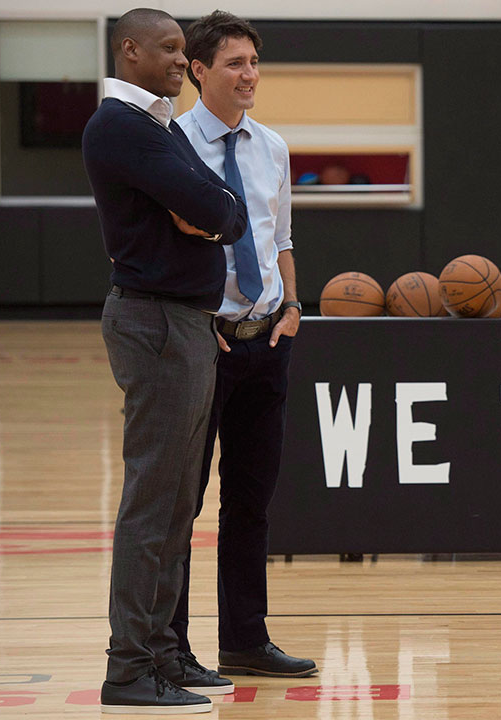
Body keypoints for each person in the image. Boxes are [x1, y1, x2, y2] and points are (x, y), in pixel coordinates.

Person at [83, 7, 249, 715]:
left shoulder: (158, 126)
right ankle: (129, 668)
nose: (183, 61)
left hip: (183, 322)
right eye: (171, 50)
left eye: (184, 51)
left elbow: (227, 210)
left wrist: (213, 211)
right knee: (155, 500)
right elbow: (207, 205)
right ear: (130, 51)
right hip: (154, 321)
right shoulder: (120, 126)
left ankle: (162, 652)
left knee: (180, 500)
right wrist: (210, 211)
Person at [169, 10, 317, 679]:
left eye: (254, 62)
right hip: (204, 345)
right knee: (180, 504)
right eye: (236, 63)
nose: (250, 74)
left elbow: (279, 237)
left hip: (267, 341)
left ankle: (245, 640)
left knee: (251, 501)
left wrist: (292, 305)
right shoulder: (169, 146)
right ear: (199, 71)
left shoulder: (273, 147)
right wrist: (196, 322)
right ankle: (170, 645)